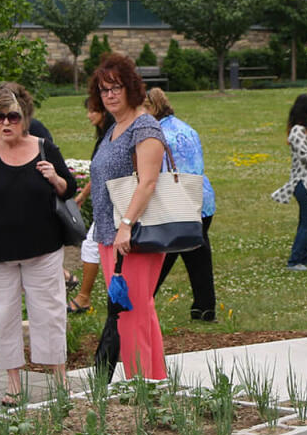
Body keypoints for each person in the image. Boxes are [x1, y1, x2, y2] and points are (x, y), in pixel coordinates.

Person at [0, 82, 75, 405]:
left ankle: (60, 381)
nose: (6, 123)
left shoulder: (44, 148)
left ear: (25, 117)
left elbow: (69, 189)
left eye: (12, 116)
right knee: (1, 316)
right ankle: (13, 385)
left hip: (43, 251)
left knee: (49, 314)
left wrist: (55, 178)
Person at [88, 53, 170, 379]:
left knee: (130, 313)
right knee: (137, 311)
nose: (109, 94)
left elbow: (148, 181)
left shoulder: (144, 125)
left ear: (131, 88)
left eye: (116, 87)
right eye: (103, 89)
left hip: (134, 236)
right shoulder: (115, 127)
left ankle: (141, 388)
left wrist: (125, 225)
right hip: (111, 235)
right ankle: (153, 383)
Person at [145, 88, 217, 321]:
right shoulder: (186, 128)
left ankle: (143, 300)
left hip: (177, 199)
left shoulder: (156, 134)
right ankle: (204, 307)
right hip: (202, 199)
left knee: (163, 253)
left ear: (151, 108)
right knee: (198, 254)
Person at [68, 97, 109, 315]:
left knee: (92, 245)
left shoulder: (110, 136)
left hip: (112, 204)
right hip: (107, 202)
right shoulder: (104, 136)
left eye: (93, 111)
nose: (88, 115)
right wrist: (83, 195)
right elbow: (97, 171)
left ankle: (84, 297)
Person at [275, 93, 307, 270]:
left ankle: (305, 258)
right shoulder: (297, 131)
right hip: (304, 183)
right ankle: (294, 260)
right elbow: (305, 155)